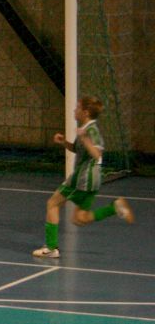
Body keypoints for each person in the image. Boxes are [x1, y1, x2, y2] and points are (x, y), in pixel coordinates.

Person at [33, 95, 135, 258]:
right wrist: (64, 142)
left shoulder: (91, 131)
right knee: (80, 218)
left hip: (83, 179)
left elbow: (97, 154)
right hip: (92, 181)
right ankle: (115, 208)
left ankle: (51, 248)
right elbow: (77, 149)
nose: (75, 110)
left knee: (52, 204)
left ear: (85, 112)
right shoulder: (85, 128)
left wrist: (85, 138)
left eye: (78, 108)